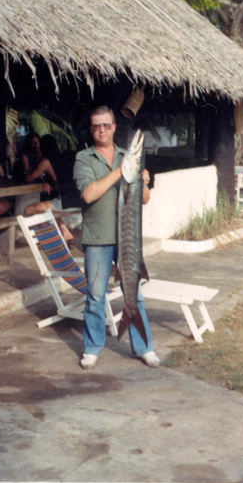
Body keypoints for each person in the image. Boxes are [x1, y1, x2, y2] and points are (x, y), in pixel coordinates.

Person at [73, 106, 159, 370]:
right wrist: (121, 172)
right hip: (98, 237)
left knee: (136, 295)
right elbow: (88, 194)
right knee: (96, 296)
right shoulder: (84, 159)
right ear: (91, 129)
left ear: (114, 127)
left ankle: (144, 348)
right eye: (97, 126)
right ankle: (92, 348)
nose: (102, 130)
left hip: (128, 241)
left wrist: (141, 182)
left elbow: (144, 199)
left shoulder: (127, 155)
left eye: (106, 125)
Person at [23, 134, 74, 243]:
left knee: (28, 210)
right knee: (46, 205)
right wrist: (44, 181)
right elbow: (57, 176)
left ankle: (52, 239)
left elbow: (29, 177)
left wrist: (38, 158)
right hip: (75, 197)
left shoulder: (45, 161)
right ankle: (65, 232)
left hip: (65, 200)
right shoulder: (63, 157)